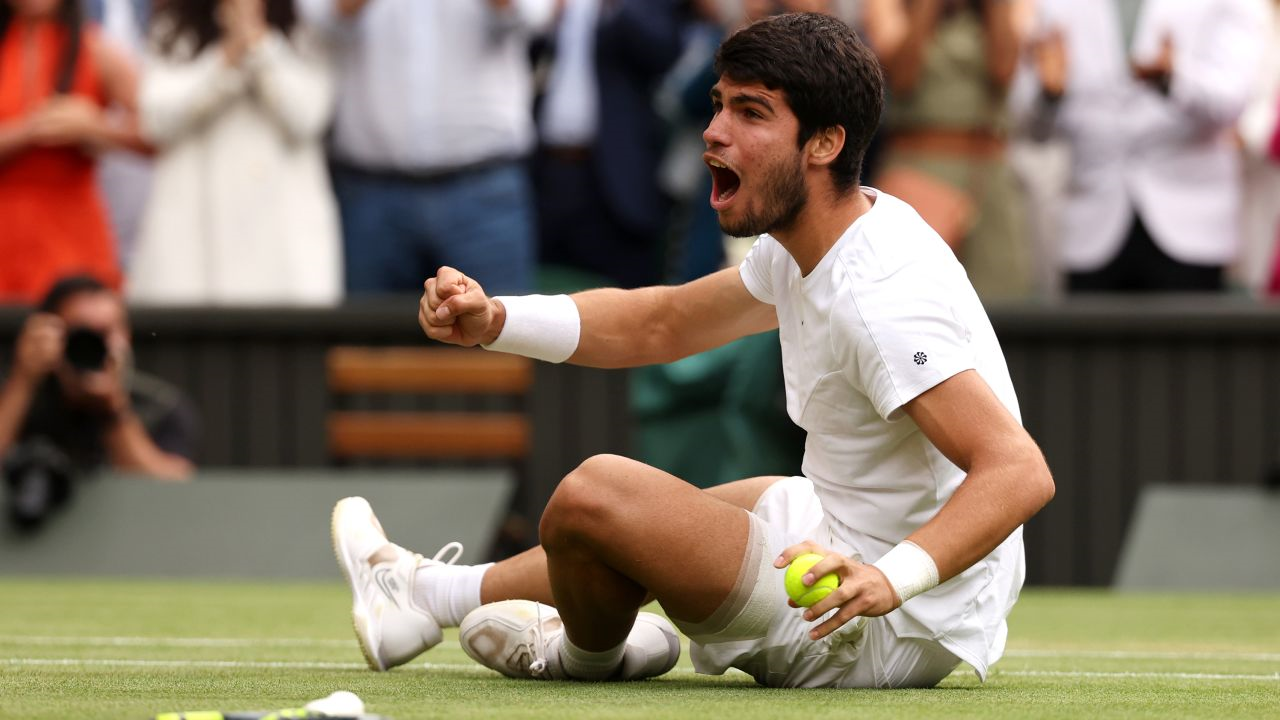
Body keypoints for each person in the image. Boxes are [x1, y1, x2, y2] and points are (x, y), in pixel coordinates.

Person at [331, 13, 1053, 688]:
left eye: (750, 113)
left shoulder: (879, 301)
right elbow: (663, 324)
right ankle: (418, 594)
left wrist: (892, 579)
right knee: (675, 516)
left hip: (874, 620)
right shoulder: (821, 238)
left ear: (824, 144)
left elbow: (1018, 472)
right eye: (719, 105)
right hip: (843, 536)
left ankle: (586, 652)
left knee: (595, 494)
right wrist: (494, 321)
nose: (714, 132)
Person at [296, 0, 552, 296]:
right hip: (372, 193)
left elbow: (529, 15)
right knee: (368, 337)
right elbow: (321, 21)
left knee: (500, 333)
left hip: (483, 190)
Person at [1012, 0, 1269, 293]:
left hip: (1190, 222)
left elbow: (1233, 100)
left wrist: (1174, 81)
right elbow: (1028, 125)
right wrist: (1049, 96)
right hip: (1090, 224)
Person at [127, 0, 342, 305]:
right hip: (194, 250)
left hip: (281, 251)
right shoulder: (172, 29)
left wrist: (259, 44)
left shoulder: (304, 30)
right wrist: (225, 59)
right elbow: (156, 119)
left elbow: (308, 116)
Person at [0, 276, 196, 532]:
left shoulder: (159, 406)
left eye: (108, 332)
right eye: (83, 333)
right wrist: (24, 380)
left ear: (126, 335)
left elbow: (174, 496)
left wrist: (113, 410)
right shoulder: (19, 398)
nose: (98, 346)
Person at [0, 0, 147, 305]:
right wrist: (28, 131)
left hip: (73, 234)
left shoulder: (94, 48)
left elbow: (160, 130)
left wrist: (97, 127)